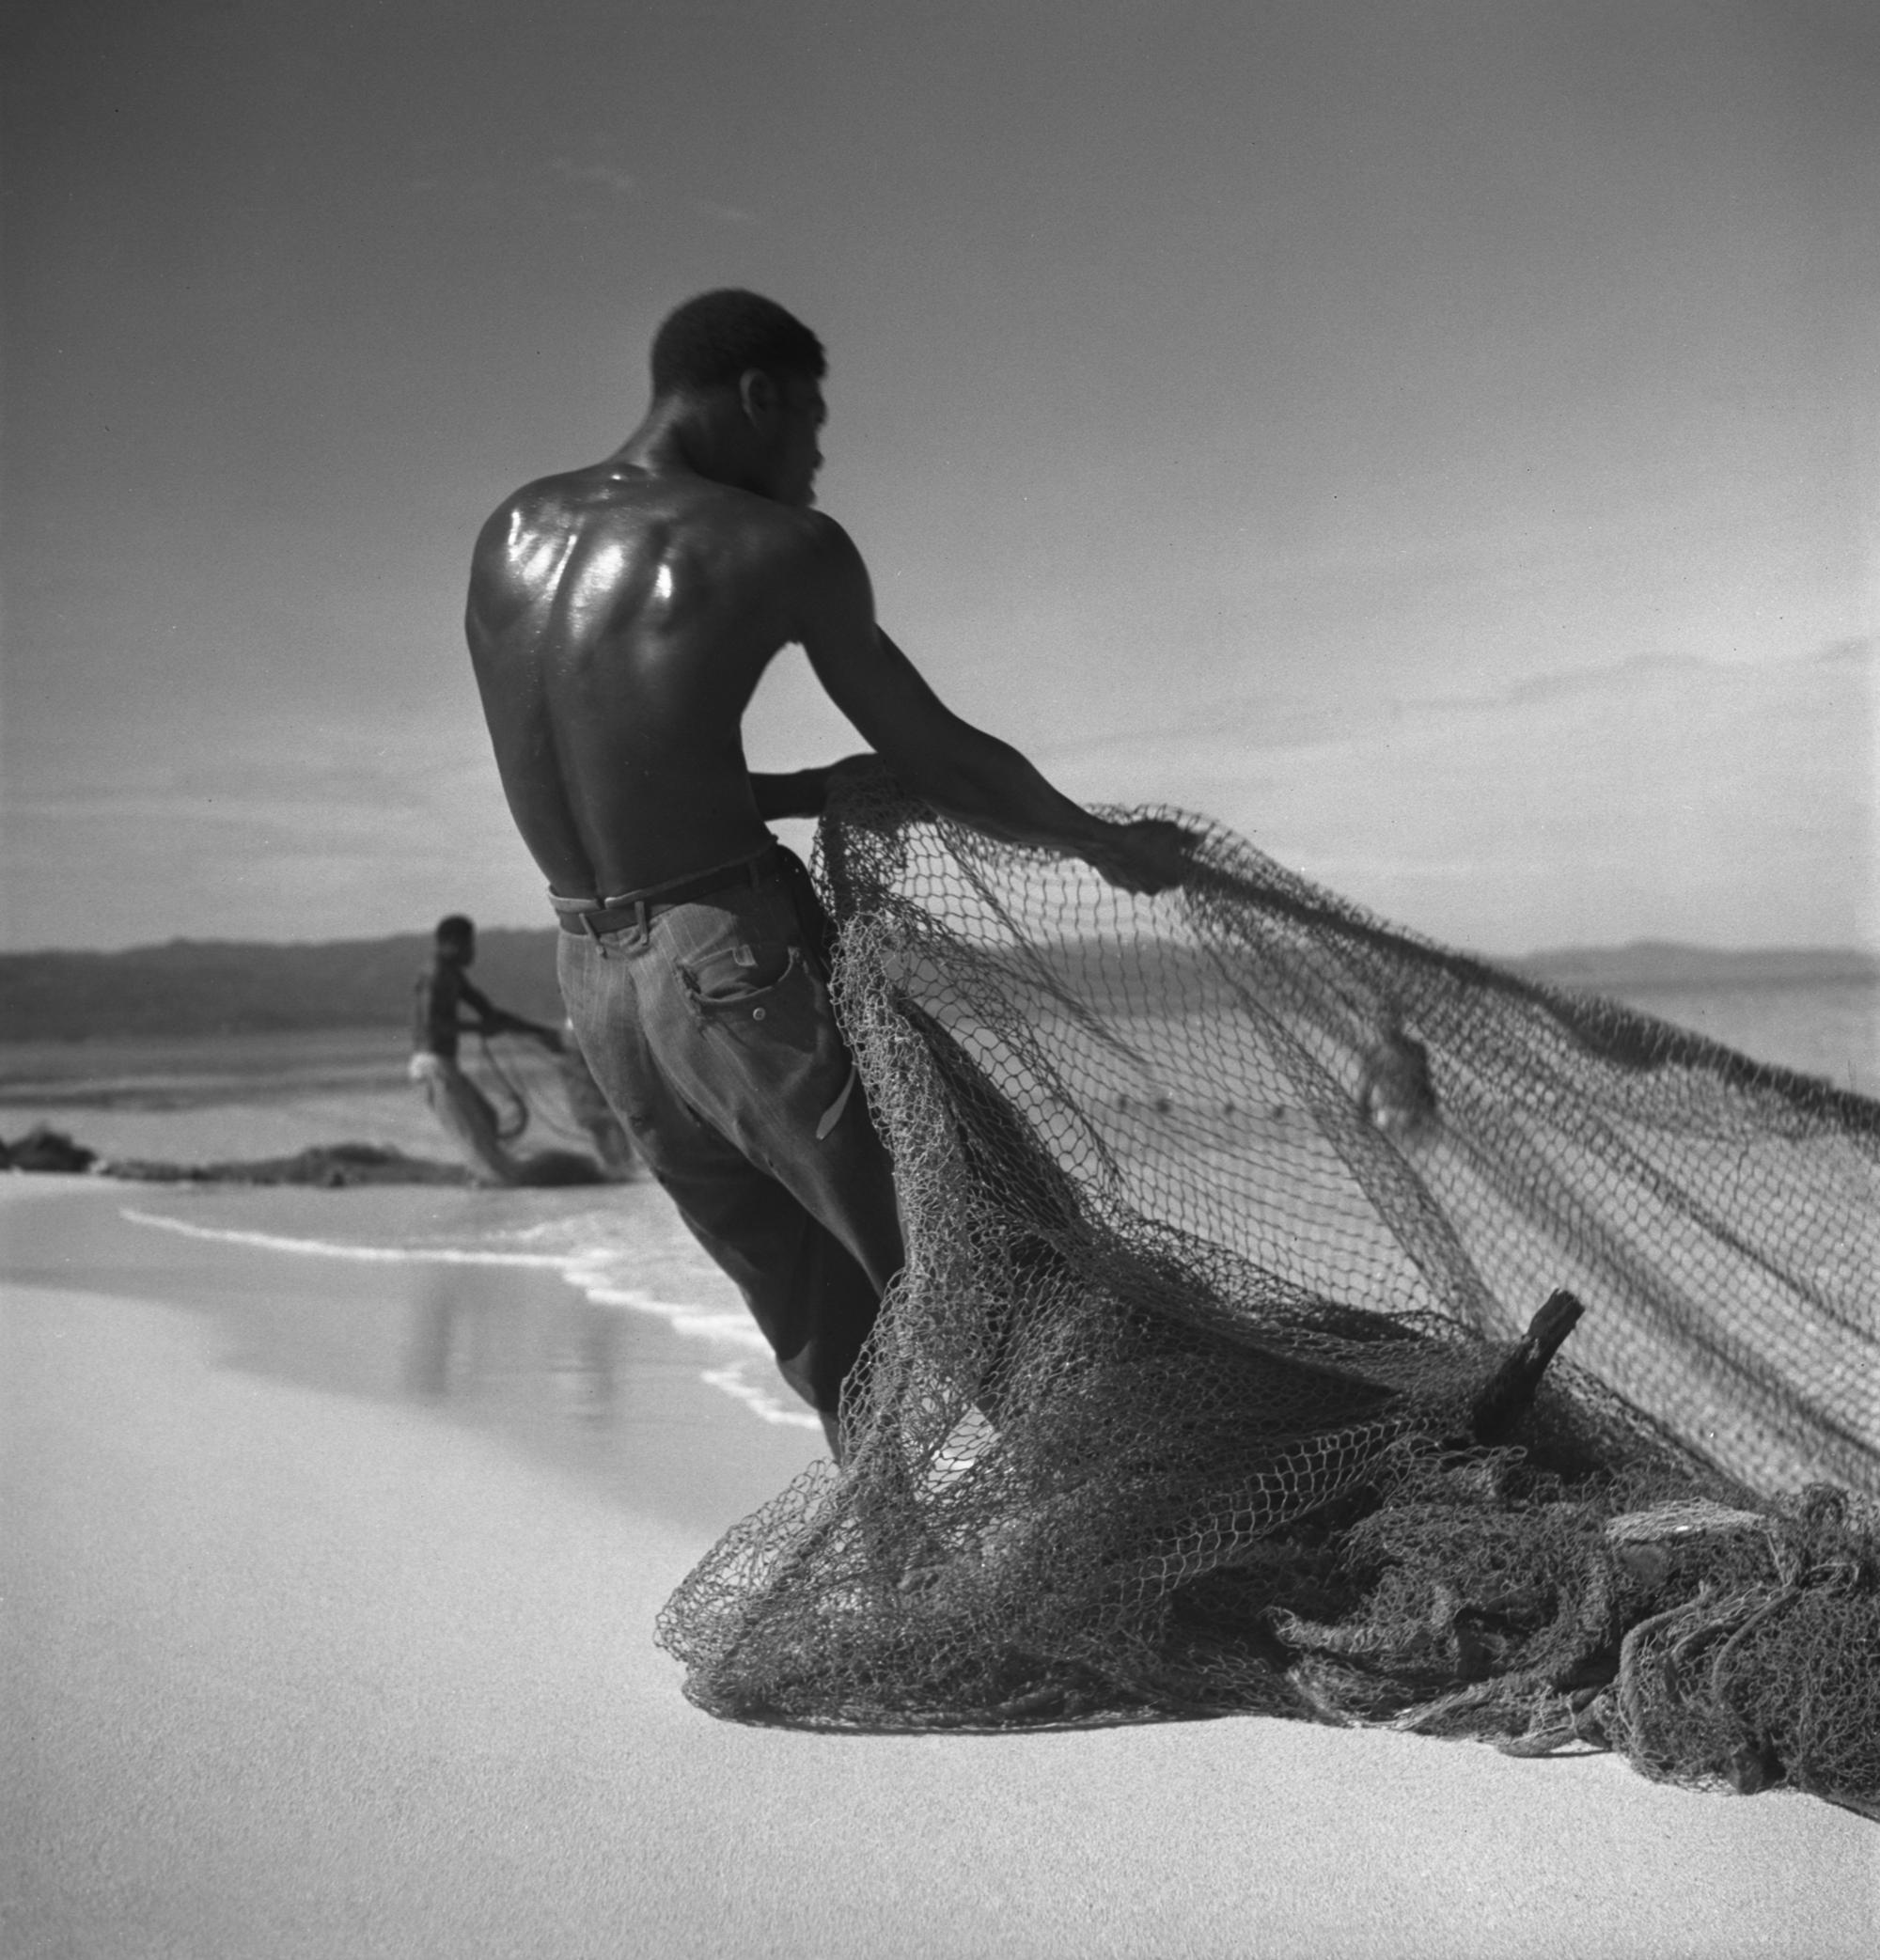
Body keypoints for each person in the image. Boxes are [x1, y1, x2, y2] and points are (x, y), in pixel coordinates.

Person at [464, 288, 1191, 1456]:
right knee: (943, 1255)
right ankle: (1108, 1508)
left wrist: (810, 791)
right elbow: (941, 754)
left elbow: (603, 785)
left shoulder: (511, 534)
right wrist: (1103, 845)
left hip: (596, 986)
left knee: (805, 1304)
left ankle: (897, 1553)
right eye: (810, 423)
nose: (814, 459)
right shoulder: (776, 545)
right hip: (728, 962)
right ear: (756, 396)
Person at [410, 913, 564, 1184]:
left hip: (446, 1068)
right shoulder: (435, 975)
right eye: (469, 945)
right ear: (451, 943)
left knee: (488, 1120)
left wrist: (542, 1034)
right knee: (480, 1151)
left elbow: (490, 1014)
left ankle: (489, 1199)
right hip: (432, 1068)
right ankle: (490, 1199)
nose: (472, 952)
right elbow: (433, 1025)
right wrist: (479, 1029)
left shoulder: (453, 976)